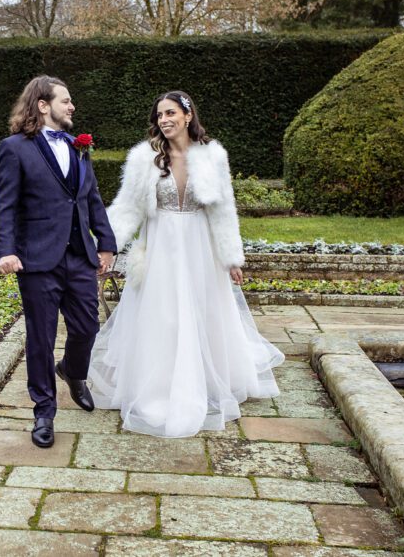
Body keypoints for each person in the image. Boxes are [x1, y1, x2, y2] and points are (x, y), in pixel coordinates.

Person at [88, 90, 284, 438]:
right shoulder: (143, 158)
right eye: (160, 114)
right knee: (163, 315)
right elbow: (128, 207)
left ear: (188, 116)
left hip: (200, 249)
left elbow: (223, 210)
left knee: (202, 311)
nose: (164, 120)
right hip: (161, 248)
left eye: (171, 113)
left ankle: (205, 381)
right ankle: (160, 387)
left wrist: (231, 257)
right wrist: (106, 247)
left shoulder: (212, 156)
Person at [0, 75, 117, 448]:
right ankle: (44, 412)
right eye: (65, 100)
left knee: (87, 327)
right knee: (41, 339)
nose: (72, 106)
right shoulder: (15, 148)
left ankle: (73, 371)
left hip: (79, 255)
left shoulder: (80, 148)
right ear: (43, 105)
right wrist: (6, 251)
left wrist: (106, 244)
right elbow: (7, 205)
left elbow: (91, 199)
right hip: (36, 259)